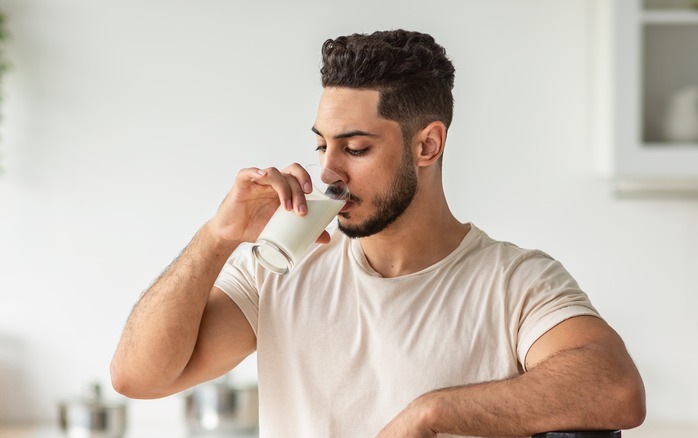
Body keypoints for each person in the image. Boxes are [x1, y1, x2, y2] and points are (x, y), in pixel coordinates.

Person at [111, 29, 646, 437]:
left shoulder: (514, 281)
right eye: (323, 145)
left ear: (427, 146)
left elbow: (615, 386)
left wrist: (432, 412)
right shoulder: (280, 267)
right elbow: (138, 377)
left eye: (356, 148)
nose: (328, 172)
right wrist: (217, 236)